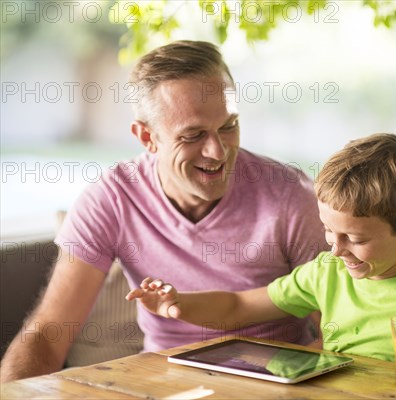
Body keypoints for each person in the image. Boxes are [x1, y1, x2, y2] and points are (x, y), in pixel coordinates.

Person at [126, 133, 396, 390]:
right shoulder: (325, 274)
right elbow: (240, 307)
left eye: (355, 239)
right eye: (329, 232)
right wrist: (177, 303)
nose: (336, 249)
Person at [0, 41, 328, 382]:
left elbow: (337, 331)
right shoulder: (111, 200)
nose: (217, 151)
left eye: (228, 126)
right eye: (193, 135)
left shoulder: (291, 196)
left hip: (273, 385)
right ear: (147, 137)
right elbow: (49, 331)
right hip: (163, 386)